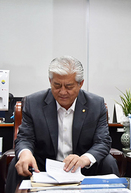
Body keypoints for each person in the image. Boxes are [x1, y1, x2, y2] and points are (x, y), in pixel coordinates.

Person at [6, 56, 119, 193]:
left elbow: (103, 142)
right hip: (42, 168)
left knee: (109, 162)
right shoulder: (33, 102)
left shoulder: (95, 104)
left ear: (80, 83)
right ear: (50, 81)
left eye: (69, 86)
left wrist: (84, 159)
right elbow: (25, 138)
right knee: (16, 164)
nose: (63, 92)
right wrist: (26, 154)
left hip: (82, 169)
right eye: (57, 85)